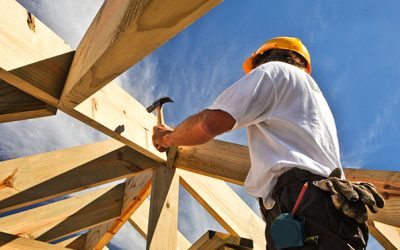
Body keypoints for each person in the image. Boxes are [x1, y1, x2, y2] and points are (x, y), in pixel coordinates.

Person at [152, 37, 369, 249]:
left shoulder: (273, 71)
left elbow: (208, 124)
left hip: (301, 202)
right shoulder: (311, 100)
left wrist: (168, 137)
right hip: (327, 208)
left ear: (262, 59)